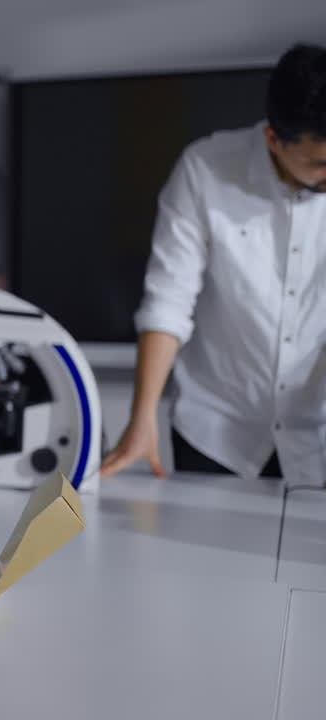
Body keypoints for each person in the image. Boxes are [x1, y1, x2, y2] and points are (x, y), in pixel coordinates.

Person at [101, 43, 326, 486]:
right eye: (320, 164)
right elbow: (168, 300)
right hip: (216, 433)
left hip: (316, 436)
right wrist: (141, 417)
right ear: (274, 140)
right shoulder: (205, 169)